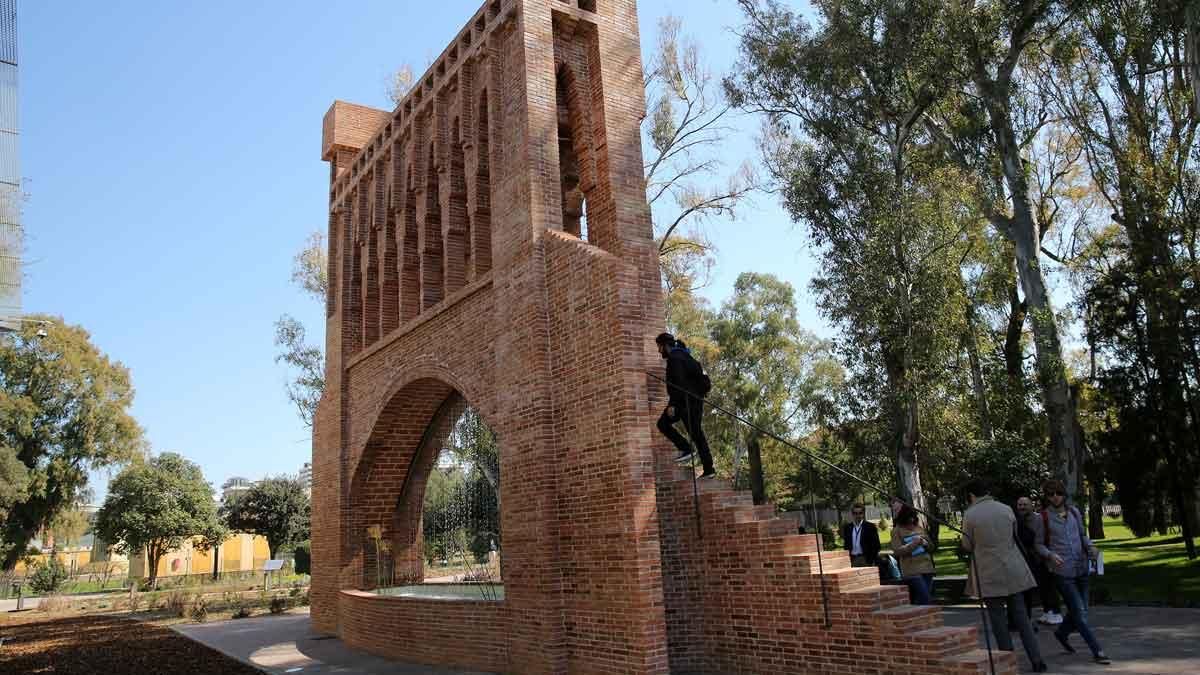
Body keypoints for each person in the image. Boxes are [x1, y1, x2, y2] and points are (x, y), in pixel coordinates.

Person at [962, 479, 1047, 673]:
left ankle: (1008, 662)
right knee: (1022, 618)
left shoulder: (970, 514)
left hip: (988, 571)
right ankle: (1037, 660)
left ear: (972, 496)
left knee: (999, 622)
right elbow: (1013, 535)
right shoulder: (1006, 509)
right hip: (1012, 567)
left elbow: (967, 545)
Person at [1033, 479, 1111, 665]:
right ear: (1047, 497)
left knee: (1080, 611)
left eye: (1058, 493)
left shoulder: (1075, 512)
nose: (1055, 497)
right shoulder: (1042, 517)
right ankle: (1097, 650)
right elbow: (1038, 544)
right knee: (1080, 613)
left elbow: (1083, 536)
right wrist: (1050, 555)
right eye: (1050, 494)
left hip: (1081, 567)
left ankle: (1061, 633)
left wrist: (1091, 548)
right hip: (1062, 572)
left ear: (1063, 494)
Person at [654, 332, 715, 478]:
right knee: (696, 433)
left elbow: (679, 384)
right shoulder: (686, 356)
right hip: (695, 401)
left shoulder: (674, 359)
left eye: (659, 347)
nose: (658, 351)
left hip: (684, 402)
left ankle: (686, 448)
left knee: (663, 424)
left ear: (665, 346)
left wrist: (673, 405)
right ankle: (709, 469)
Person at [1016, 496, 1062, 626]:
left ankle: (1054, 611)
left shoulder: (1039, 519)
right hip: (1028, 558)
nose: (1022, 507)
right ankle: (1047, 612)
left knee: (1047, 585)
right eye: (1020, 505)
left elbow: (1040, 540)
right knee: (1038, 587)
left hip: (1041, 557)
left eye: (1025, 504)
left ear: (1031, 506)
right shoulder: (1018, 520)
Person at [891, 505, 935, 605]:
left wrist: (925, 543)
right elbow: (897, 551)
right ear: (903, 517)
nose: (911, 521)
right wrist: (913, 544)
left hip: (926, 567)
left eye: (913, 517)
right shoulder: (897, 531)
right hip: (912, 570)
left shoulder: (919, 528)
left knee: (924, 599)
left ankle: (921, 617)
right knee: (925, 598)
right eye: (908, 518)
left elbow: (931, 547)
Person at [840, 503, 881, 568]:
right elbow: (846, 545)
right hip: (852, 559)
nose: (858, 515)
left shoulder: (870, 527)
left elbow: (877, 546)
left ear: (863, 514)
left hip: (865, 559)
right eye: (855, 513)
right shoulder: (848, 528)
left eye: (860, 513)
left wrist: (871, 560)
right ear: (852, 514)